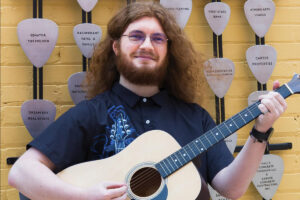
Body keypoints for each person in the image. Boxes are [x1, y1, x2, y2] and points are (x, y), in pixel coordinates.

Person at [8, 2, 287, 200]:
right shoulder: (91, 113)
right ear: (116, 47)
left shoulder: (194, 117)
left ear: (168, 51)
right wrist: (83, 196)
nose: (146, 45)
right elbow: (22, 173)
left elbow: (231, 188)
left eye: (157, 39)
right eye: (136, 36)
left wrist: (260, 132)